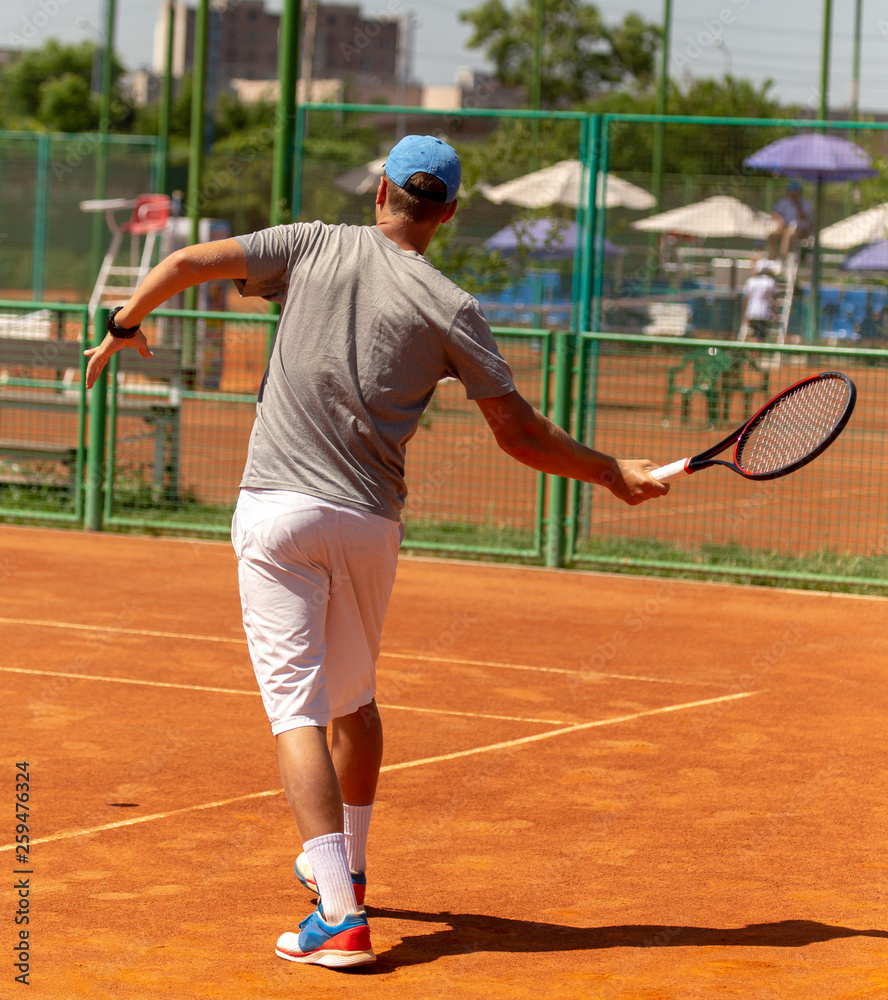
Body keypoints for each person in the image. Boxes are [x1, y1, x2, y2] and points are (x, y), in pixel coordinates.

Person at [83, 135, 669, 970]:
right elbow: (520, 433)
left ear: (383, 189)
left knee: (298, 715)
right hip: (368, 523)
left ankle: (339, 916)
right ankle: (348, 867)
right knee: (353, 705)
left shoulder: (313, 241)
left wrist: (124, 324)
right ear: (449, 214)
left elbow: (181, 263)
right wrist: (610, 472)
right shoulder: (453, 304)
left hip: (278, 513)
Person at [768, 180, 812, 259]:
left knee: (788, 234)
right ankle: (772, 257)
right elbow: (774, 213)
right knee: (772, 235)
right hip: (785, 227)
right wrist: (780, 219)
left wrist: (797, 205)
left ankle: (782, 257)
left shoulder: (805, 203)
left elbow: (804, 218)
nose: (792, 195)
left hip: (800, 230)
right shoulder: (785, 201)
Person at [742, 258, 778, 342]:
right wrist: (776, 312)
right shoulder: (770, 282)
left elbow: (746, 298)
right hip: (764, 312)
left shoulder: (751, 281)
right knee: (760, 336)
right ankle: (756, 354)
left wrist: (745, 314)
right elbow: (774, 299)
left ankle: (753, 353)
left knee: (753, 334)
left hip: (752, 311)